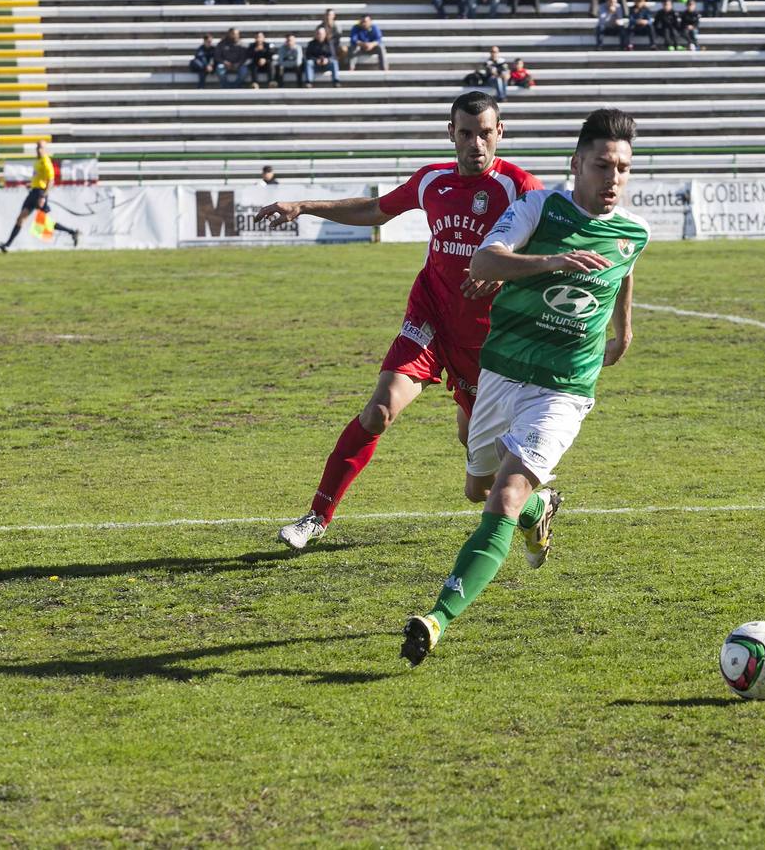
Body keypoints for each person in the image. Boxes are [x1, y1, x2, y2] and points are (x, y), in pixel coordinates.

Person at [398, 108, 649, 667]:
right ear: (577, 163)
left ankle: (436, 619)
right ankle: (539, 509)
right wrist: (552, 261)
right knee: (477, 487)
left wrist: (623, 330)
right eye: (604, 165)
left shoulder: (635, 231)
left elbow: (626, 266)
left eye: (624, 169)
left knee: (501, 495)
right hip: (502, 372)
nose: (614, 179)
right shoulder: (538, 207)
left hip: (562, 387)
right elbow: (487, 258)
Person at [258, 93, 544, 553]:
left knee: (480, 484)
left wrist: (505, 275)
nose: (476, 143)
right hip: (430, 318)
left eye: (485, 133)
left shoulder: (522, 187)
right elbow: (375, 210)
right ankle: (316, 516)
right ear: (451, 133)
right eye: (466, 133)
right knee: (379, 411)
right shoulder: (432, 180)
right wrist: (304, 206)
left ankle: (537, 507)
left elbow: (551, 248)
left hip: (486, 341)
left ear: (500, 133)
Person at [0, 142, 81, 251]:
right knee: (21, 218)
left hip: (40, 194)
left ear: (45, 149)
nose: (39, 150)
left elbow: (51, 181)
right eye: (38, 147)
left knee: (44, 223)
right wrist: (32, 184)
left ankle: (72, 232)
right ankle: (6, 245)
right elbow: (39, 178)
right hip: (34, 192)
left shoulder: (46, 161)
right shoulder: (38, 161)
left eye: (41, 148)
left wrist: (43, 196)